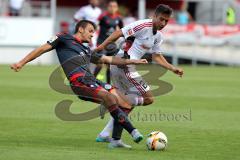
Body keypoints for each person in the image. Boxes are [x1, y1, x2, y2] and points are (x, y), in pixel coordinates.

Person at [11, 20, 148, 148]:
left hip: (93, 81)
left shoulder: (87, 50)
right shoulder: (63, 38)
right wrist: (21, 62)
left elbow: (108, 59)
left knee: (126, 103)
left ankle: (115, 140)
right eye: (90, 31)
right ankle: (133, 132)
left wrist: (132, 61)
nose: (92, 34)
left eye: (93, 32)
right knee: (110, 98)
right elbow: (41, 49)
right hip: (79, 82)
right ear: (81, 29)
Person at [94, 4, 184, 143]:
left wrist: (172, 68)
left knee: (128, 102)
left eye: (166, 21)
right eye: (161, 19)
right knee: (148, 99)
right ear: (154, 16)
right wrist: (100, 47)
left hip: (127, 67)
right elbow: (118, 33)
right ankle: (115, 109)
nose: (163, 23)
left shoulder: (158, 36)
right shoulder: (142, 25)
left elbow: (157, 56)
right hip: (123, 65)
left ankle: (106, 133)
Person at [93, 0, 123, 84]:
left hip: (112, 45)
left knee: (111, 65)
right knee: (100, 62)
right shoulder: (103, 16)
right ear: (107, 7)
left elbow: (122, 30)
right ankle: (92, 80)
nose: (112, 8)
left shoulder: (118, 18)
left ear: (117, 8)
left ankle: (109, 85)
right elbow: (94, 26)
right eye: (111, 6)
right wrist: (92, 37)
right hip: (101, 43)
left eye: (114, 6)